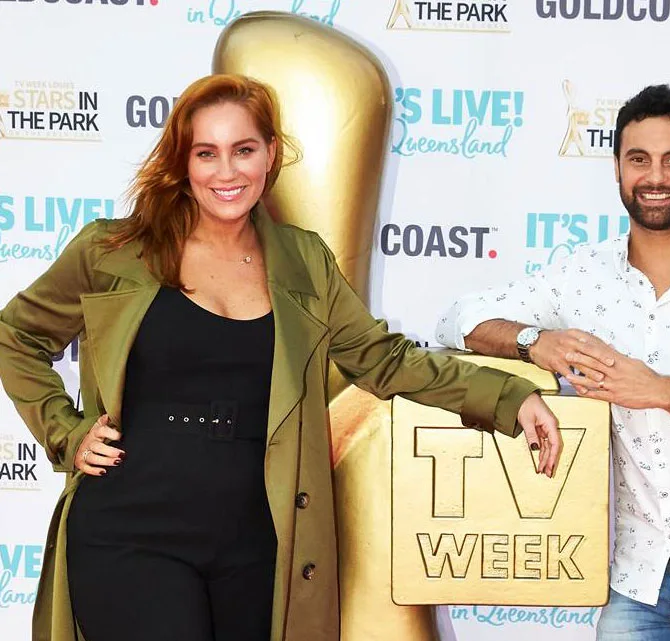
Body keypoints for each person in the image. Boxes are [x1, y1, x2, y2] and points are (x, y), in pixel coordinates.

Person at [0, 74, 561, 641]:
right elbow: (15, 335)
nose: (226, 172)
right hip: (131, 530)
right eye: (206, 153)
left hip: (258, 543)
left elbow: (384, 360)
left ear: (270, 154)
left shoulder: (303, 261)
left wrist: (508, 397)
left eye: (243, 150)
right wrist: (65, 431)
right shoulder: (113, 251)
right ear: (182, 162)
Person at [436, 85, 670, 640]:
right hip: (637, 583)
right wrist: (534, 341)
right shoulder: (582, 276)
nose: (655, 177)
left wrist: (659, 389)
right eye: (639, 159)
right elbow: (458, 320)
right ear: (617, 169)